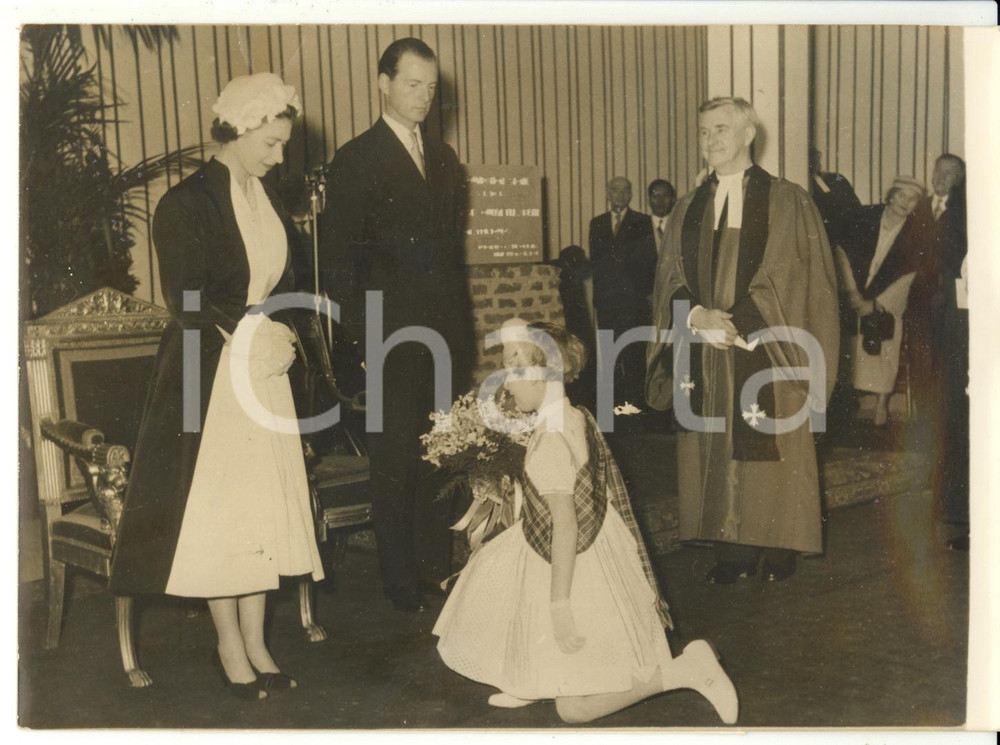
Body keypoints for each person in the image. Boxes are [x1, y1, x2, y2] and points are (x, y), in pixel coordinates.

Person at [110, 73, 323, 699]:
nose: (279, 156)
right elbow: (187, 299)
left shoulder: (266, 197)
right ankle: (229, 645)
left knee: (260, 512)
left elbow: (281, 283)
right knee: (224, 516)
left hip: (264, 373)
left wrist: (281, 331)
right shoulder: (185, 203)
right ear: (240, 128)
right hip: (210, 372)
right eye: (272, 143)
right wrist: (253, 335)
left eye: (283, 144)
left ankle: (257, 642)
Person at [434, 321, 738, 725]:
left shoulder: (551, 440)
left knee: (573, 709)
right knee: (509, 583)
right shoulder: (572, 415)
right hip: (596, 536)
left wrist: (560, 604)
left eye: (512, 373)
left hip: (576, 554)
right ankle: (530, 679)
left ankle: (685, 670)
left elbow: (565, 527)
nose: (506, 385)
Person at [646, 97, 839, 584]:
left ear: (749, 134)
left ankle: (779, 543)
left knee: (773, 439)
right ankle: (730, 546)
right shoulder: (689, 206)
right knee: (717, 439)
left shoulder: (787, 200)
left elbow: (795, 276)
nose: (710, 140)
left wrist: (737, 321)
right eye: (703, 131)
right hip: (707, 347)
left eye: (721, 129)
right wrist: (695, 316)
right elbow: (669, 277)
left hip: (768, 344)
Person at [321, 38, 474, 612]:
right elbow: (339, 264)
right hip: (390, 339)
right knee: (394, 462)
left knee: (441, 454)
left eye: (431, 87)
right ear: (383, 83)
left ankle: (435, 568)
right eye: (413, 84)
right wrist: (366, 340)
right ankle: (399, 580)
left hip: (444, 337)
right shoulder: (356, 159)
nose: (424, 97)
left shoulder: (445, 159)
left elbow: (450, 257)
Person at [834, 177, 925, 427]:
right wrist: (851, 292)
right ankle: (846, 402)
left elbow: (910, 275)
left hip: (887, 299)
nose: (906, 202)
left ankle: (881, 404)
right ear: (891, 195)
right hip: (853, 290)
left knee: (886, 347)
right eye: (902, 195)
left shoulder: (916, 233)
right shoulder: (866, 217)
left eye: (913, 199)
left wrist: (877, 303)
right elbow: (841, 250)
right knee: (848, 350)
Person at [588, 177, 658, 408]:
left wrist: (645, 296)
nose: (620, 195)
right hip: (607, 302)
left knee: (634, 352)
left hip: (633, 301)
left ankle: (636, 403)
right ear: (608, 193)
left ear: (631, 194)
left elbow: (648, 262)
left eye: (625, 190)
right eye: (615, 190)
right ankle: (614, 405)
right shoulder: (597, 224)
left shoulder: (642, 221)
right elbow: (597, 264)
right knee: (610, 353)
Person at [808, 147, 862, 250]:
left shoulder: (836, 179)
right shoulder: (800, 188)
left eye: (815, 156)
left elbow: (857, 212)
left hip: (847, 241)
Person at [648, 178, 678, 252]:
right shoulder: (638, 228)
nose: (660, 201)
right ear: (649, 200)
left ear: (673, 199)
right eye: (656, 196)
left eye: (666, 196)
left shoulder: (680, 226)